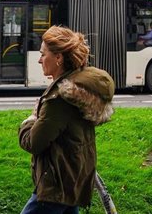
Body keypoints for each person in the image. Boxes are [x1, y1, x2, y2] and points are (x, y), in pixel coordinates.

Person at [19, 26, 115, 214]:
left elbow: (34, 143)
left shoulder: (60, 100)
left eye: (43, 54)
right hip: (73, 180)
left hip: (56, 185)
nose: (39, 60)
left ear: (58, 58)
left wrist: (30, 119)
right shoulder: (78, 89)